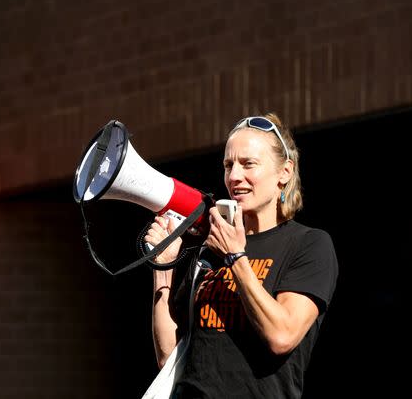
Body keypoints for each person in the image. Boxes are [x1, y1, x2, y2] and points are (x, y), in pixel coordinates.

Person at [144, 113, 338, 398]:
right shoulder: (210, 249)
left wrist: (236, 256)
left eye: (248, 164)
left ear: (284, 172)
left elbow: (281, 335)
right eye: (228, 165)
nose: (234, 176)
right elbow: (168, 358)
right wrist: (162, 269)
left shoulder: (309, 245)